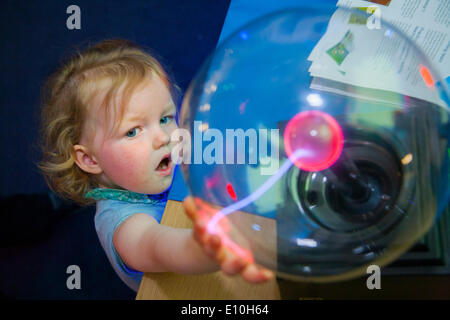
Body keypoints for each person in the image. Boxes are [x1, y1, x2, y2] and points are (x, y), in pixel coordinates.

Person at [38, 39, 272, 292]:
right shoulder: (121, 223)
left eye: (164, 118)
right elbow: (159, 246)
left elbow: (212, 148)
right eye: (133, 131)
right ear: (90, 159)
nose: (163, 136)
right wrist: (201, 247)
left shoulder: (164, 152)